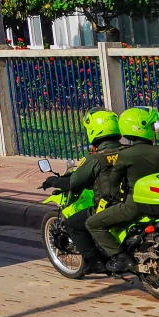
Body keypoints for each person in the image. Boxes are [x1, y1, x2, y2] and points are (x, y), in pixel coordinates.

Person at [86, 106, 159, 274]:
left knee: (93, 223)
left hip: (134, 206)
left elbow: (114, 181)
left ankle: (120, 257)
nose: (153, 130)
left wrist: (110, 195)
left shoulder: (126, 155)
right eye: (151, 126)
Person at [38, 110, 124, 274]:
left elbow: (74, 183)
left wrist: (53, 181)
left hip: (110, 205)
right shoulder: (128, 151)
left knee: (73, 223)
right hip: (130, 202)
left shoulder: (96, 158)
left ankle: (94, 262)